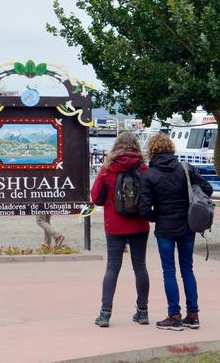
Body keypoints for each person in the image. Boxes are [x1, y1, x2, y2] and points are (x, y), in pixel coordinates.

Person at [139, 133, 213, 331]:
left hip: (165, 228)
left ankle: (174, 315)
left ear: (151, 151)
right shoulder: (185, 168)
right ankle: (193, 315)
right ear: (171, 148)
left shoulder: (149, 175)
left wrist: (157, 216)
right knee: (187, 270)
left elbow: (144, 209)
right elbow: (207, 188)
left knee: (169, 271)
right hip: (187, 225)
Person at [91, 132, 150, 328]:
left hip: (114, 224)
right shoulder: (143, 168)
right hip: (139, 224)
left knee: (112, 267)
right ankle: (142, 312)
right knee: (140, 266)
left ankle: (105, 314)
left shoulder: (108, 168)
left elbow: (95, 197)